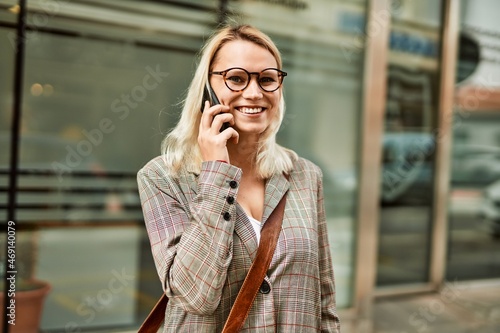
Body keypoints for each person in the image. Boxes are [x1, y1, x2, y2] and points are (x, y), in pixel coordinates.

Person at [137, 24, 341, 332]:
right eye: (236, 78)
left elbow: (324, 300)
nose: (254, 92)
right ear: (207, 87)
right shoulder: (163, 177)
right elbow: (195, 296)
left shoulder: (305, 175)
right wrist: (216, 172)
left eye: (267, 79)